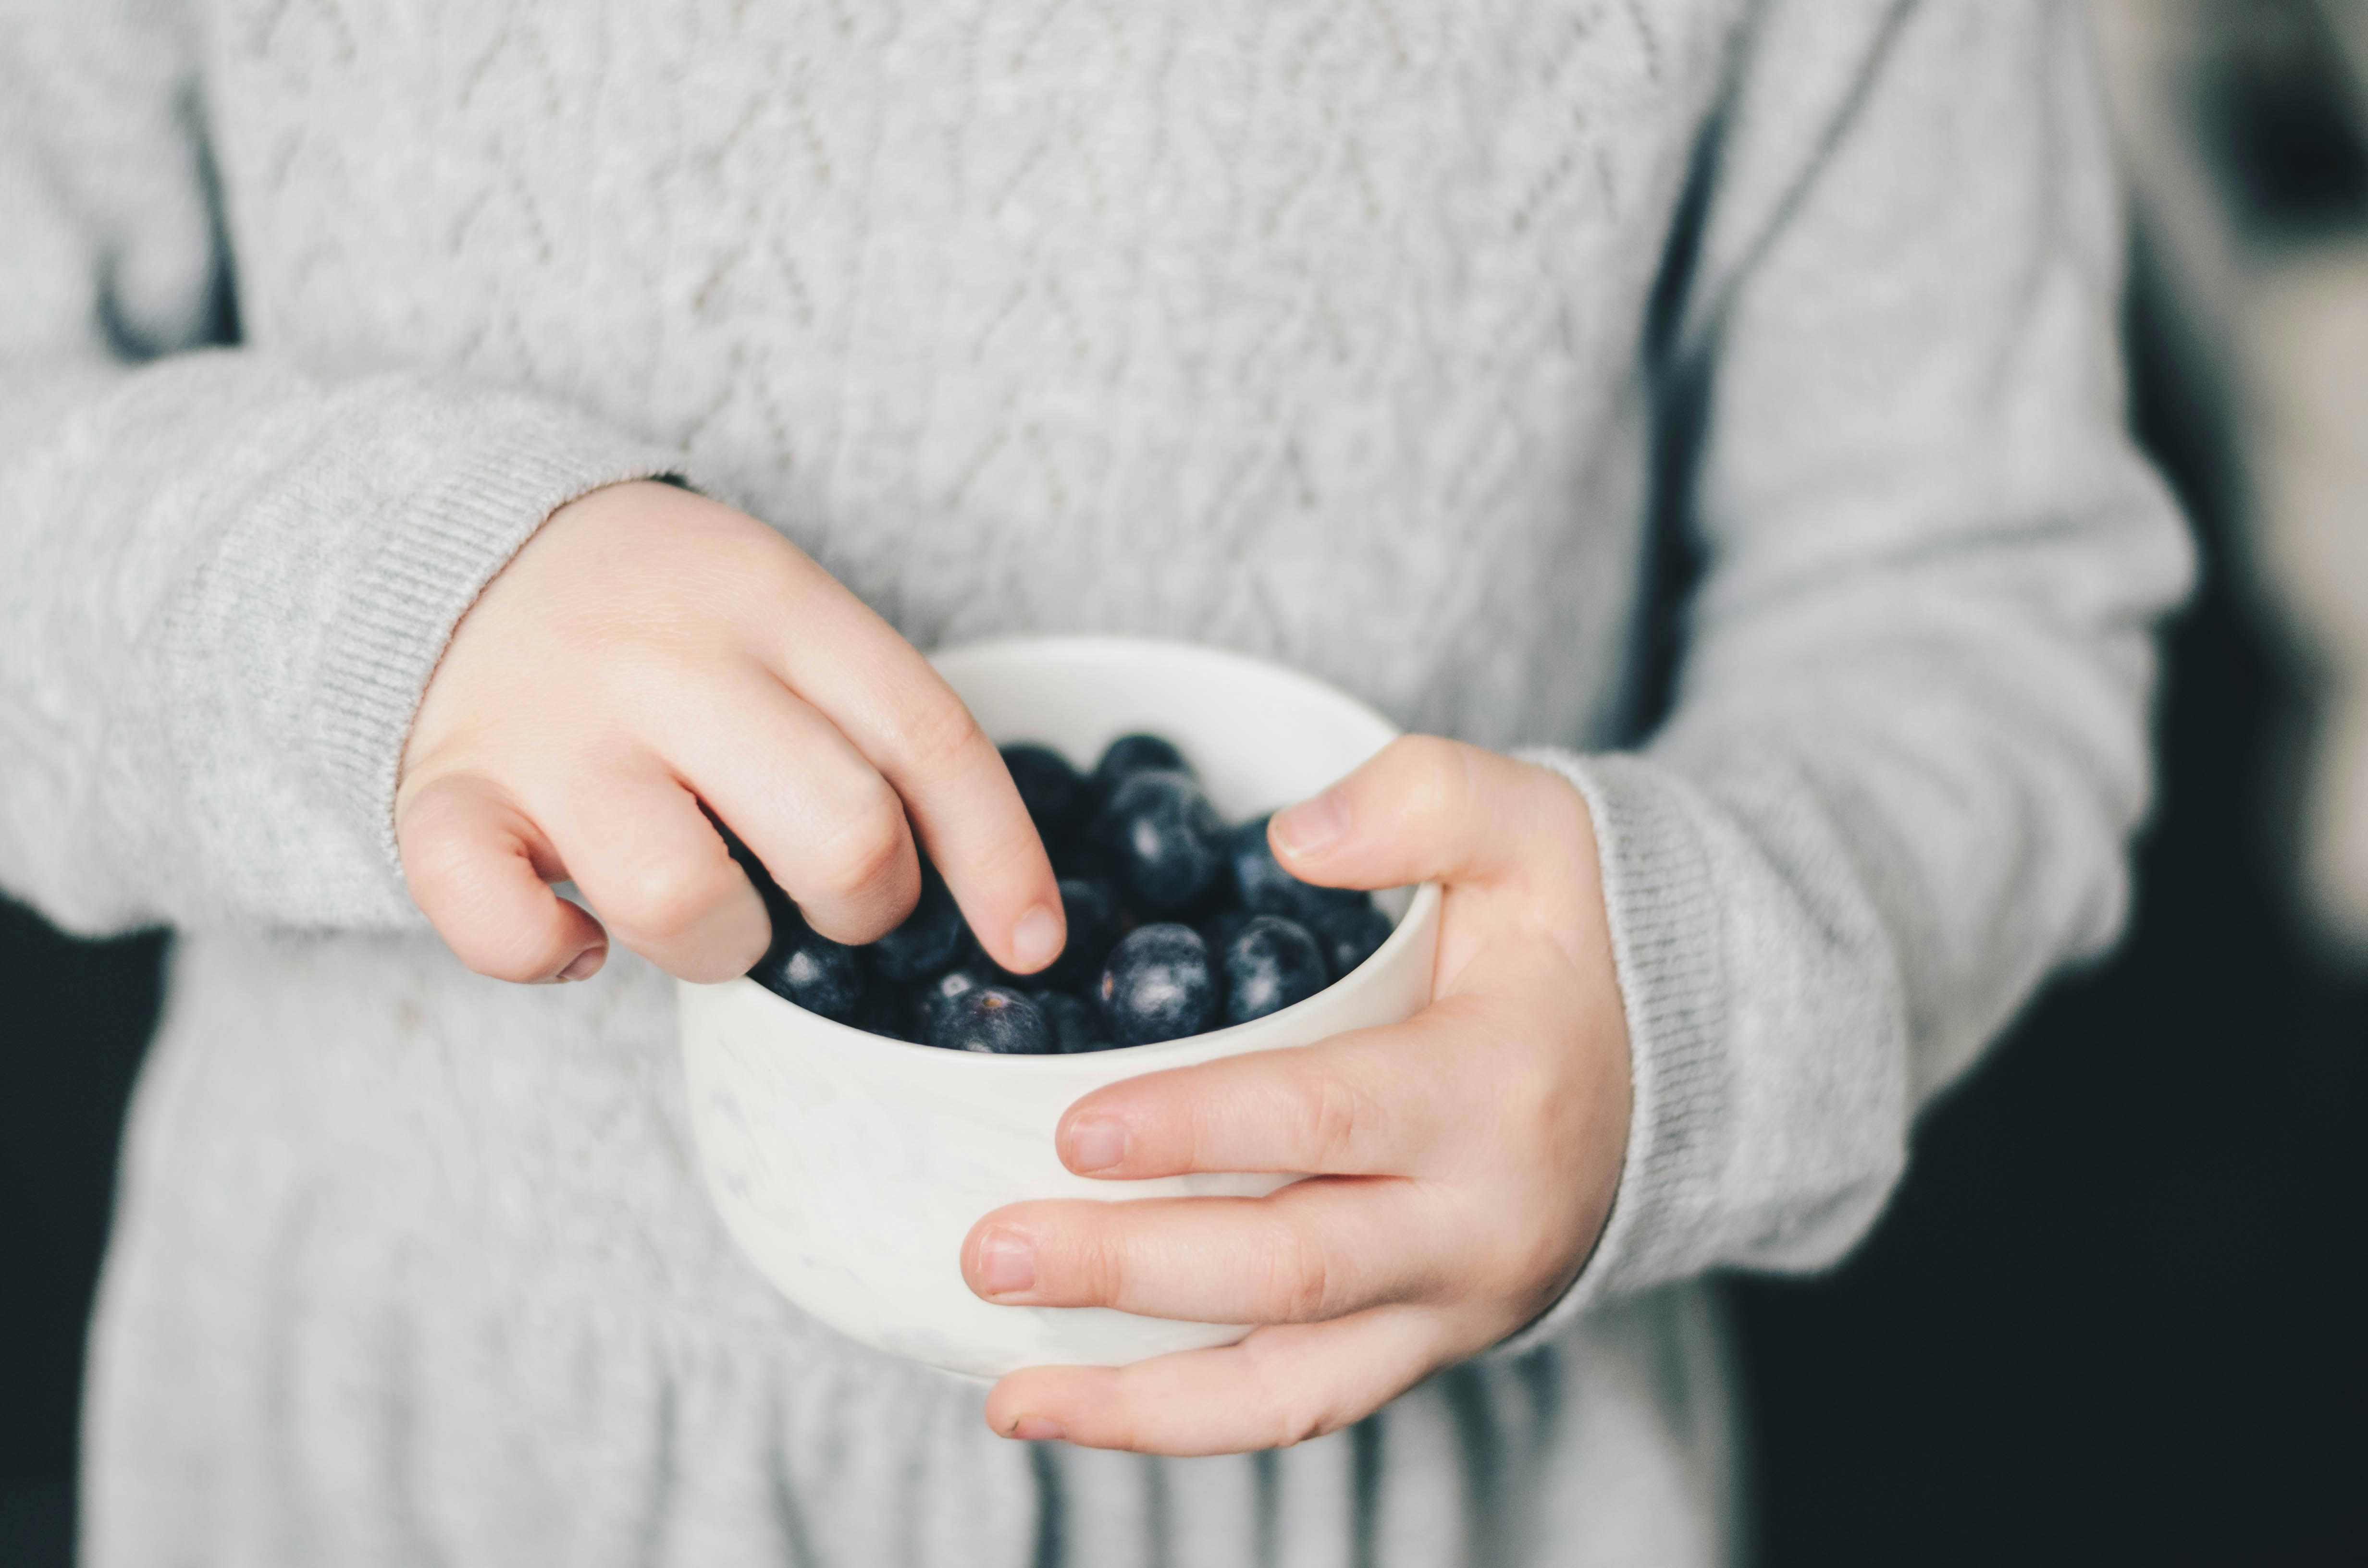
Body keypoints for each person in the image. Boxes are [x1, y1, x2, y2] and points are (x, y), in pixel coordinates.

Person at [0, 0, 2190, 1562]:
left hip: (1405, 1488)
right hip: (399, 1461)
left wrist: (1685, 1012)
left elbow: (1969, 592)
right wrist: (372, 604)